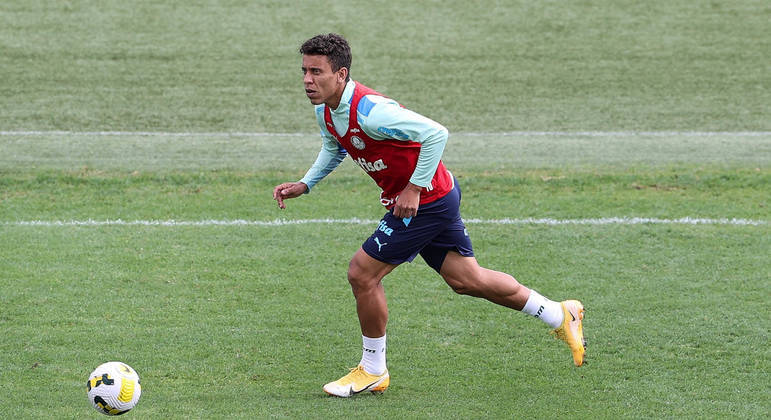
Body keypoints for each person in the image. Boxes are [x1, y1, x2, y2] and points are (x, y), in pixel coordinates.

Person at [272, 33, 586, 398]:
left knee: (362, 274)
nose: (308, 80)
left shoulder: (373, 111)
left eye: (317, 72)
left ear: (341, 74)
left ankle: (372, 369)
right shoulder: (325, 110)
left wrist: (414, 188)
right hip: (435, 196)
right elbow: (334, 147)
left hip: (428, 201)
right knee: (467, 279)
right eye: (304, 71)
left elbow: (436, 133)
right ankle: (560, 314)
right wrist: (306, 183)